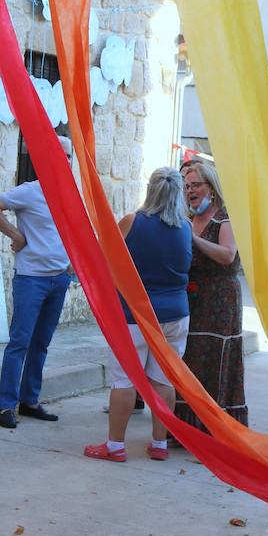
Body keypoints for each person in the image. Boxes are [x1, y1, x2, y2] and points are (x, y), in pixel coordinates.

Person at [85, 167, 193, 463]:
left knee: (124, 380)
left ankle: (115, 446)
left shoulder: (133, 222)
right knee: (163, 380)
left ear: (151, 190)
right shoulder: (185, 227)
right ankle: (159, 443)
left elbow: (103, 253)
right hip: (175, 315)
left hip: (134, 314)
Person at [0, 136, 73, 429]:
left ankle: (29, 400)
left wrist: (72, 264)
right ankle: (6, 405)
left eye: (69, 156)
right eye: (61, 155)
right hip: (32, 278)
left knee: (41, 343)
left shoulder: (70, 193)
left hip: (59, 278)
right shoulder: (30, 192)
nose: (67, 161)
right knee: (20, 341)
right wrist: (16, 236)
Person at [174, 159, 248, 436]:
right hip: (193, 298)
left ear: (211, 187)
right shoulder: (189, 218)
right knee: (191, 358)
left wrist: (194, 240)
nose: (190, 191)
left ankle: (216, 426)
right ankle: (188, 426)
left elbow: (227, 255)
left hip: (220, 299)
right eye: (187, 186)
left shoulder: (225, 217)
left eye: (196, 185)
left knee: (214, 358)